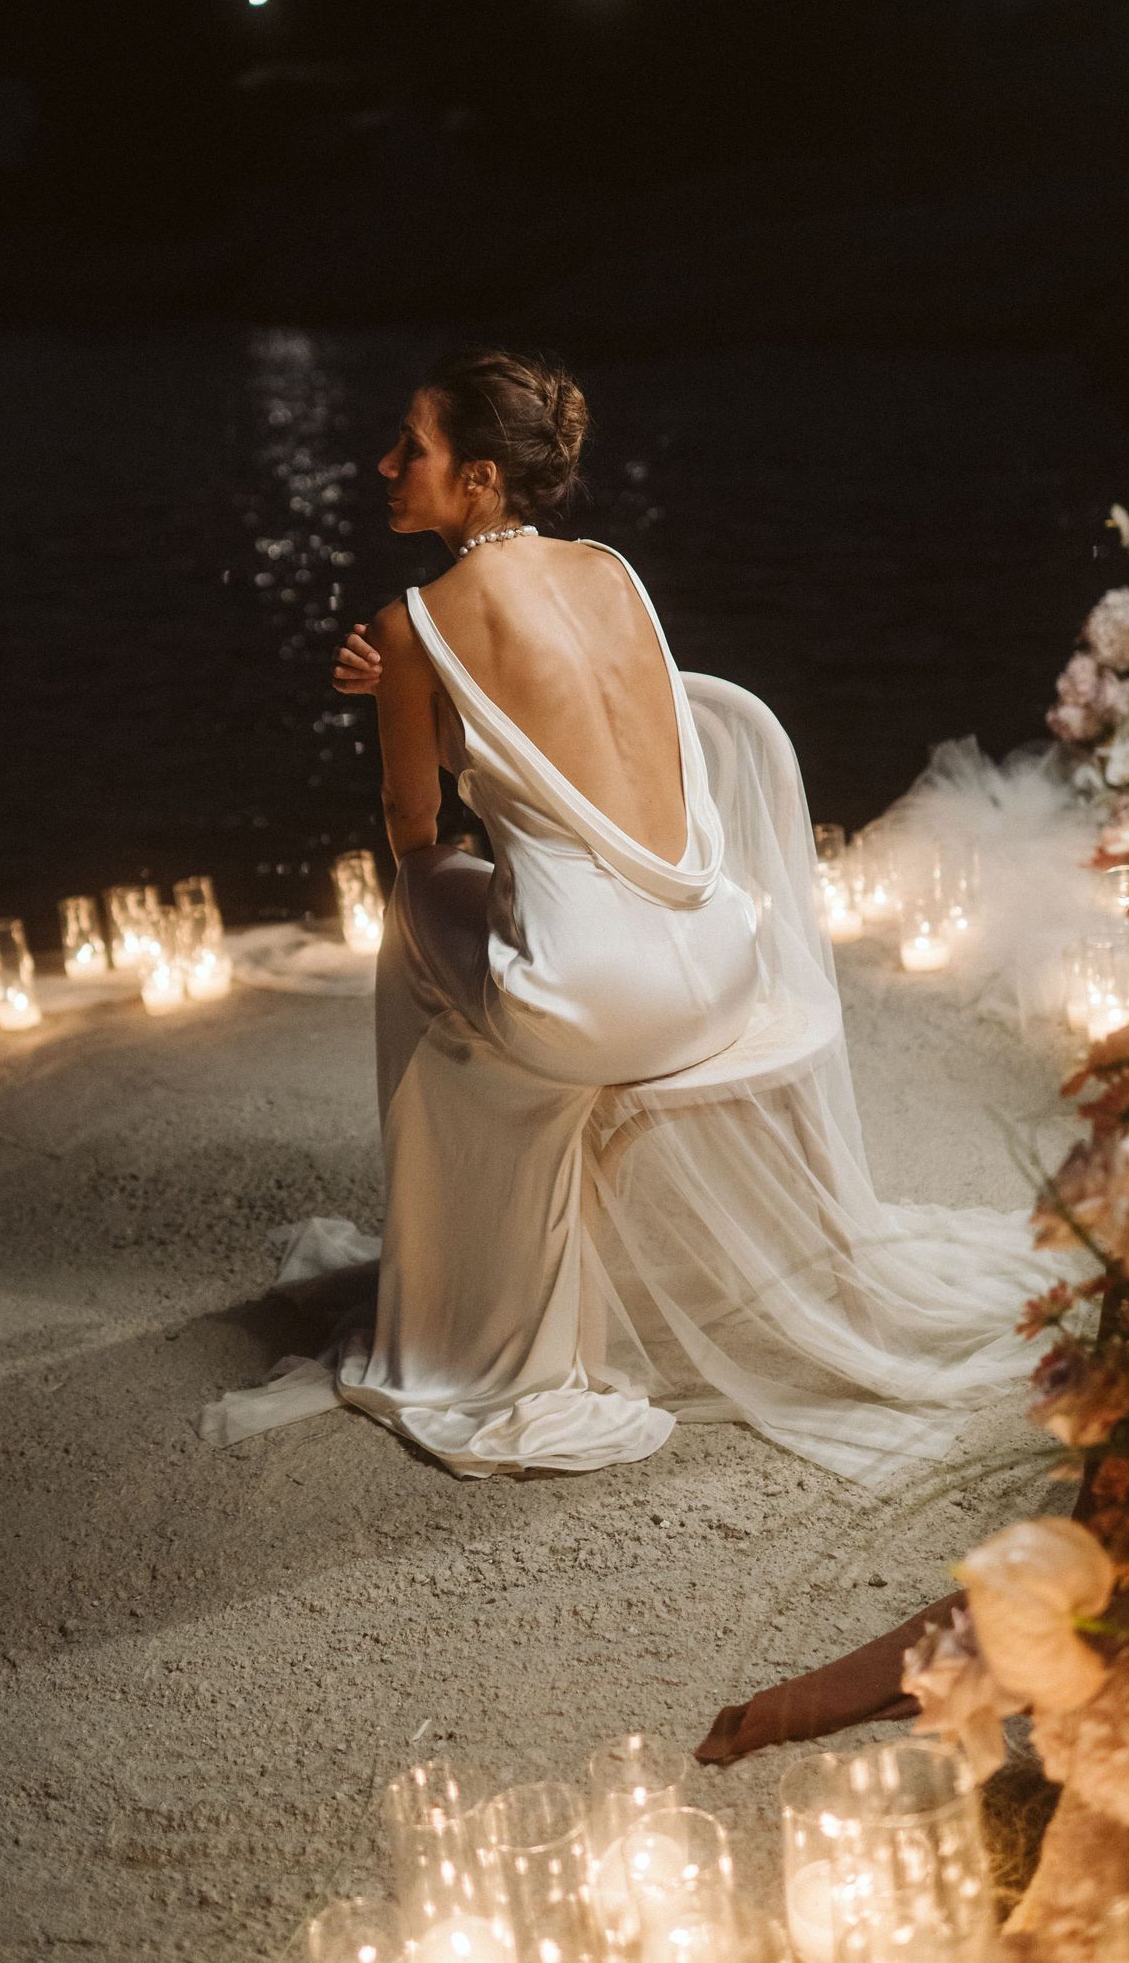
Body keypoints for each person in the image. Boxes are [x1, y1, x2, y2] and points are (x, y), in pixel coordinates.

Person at [198, 345, 1045, 1482]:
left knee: (417, 903)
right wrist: (415, 692)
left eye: (413, 447)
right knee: (506, 917)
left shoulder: (414, 621)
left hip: (594, 1007)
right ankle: (487, 1232)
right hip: (724, 965)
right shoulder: (611, 570)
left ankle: (452, 1302)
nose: (384, 464)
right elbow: (568, 756)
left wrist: (399, 690)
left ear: (480, 478)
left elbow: (415, 829)